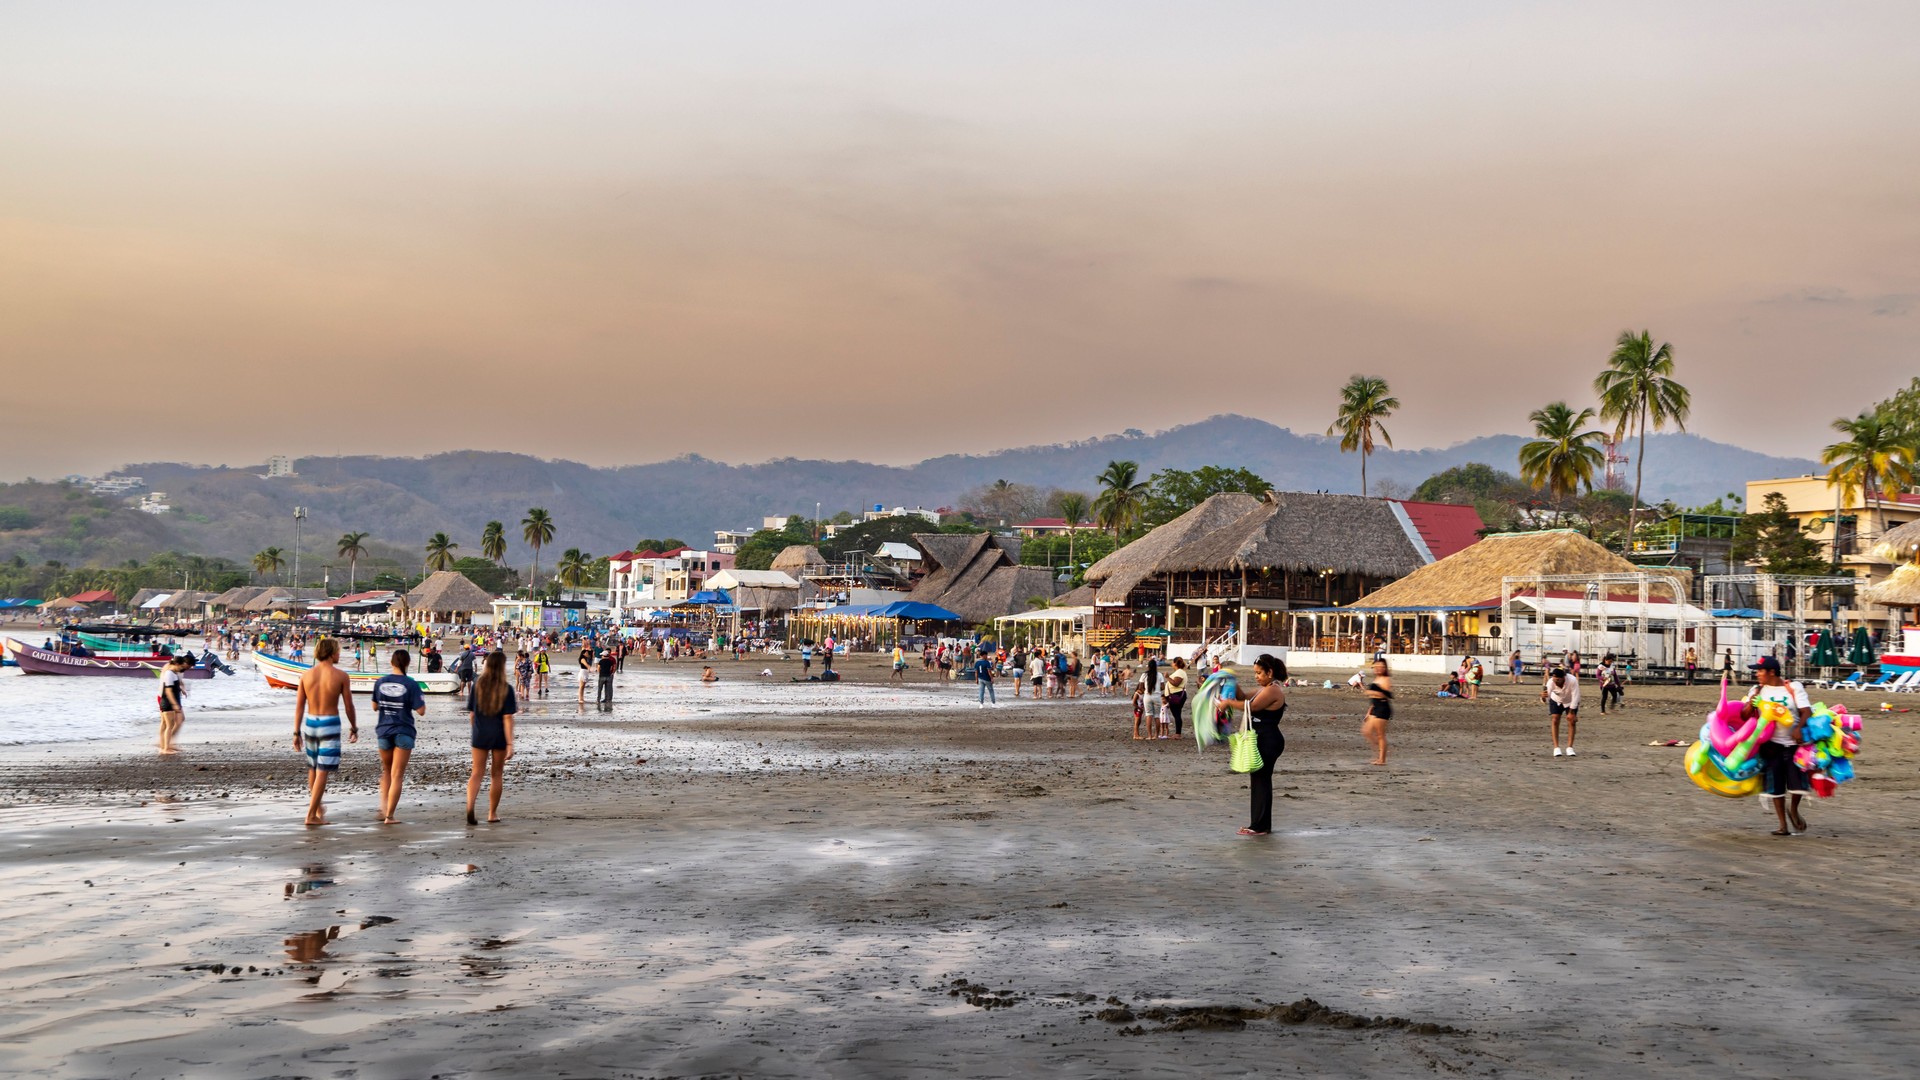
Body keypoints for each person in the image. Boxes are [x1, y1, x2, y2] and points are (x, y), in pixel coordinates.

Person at [293, 638, 357, 826]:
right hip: (330, 724)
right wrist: (354, 727)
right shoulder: (341, 676)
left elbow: (299, 707)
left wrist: (296, 733)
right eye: (338, 651)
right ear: (330, 653)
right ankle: (311, 815)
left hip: (311, 723)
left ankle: (318, 808)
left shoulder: (306, 675)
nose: (339, 654)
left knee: (313, 767)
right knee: (322, 771)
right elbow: (348, 706)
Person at [1748, 656, 1813, 836]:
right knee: (1775, 785)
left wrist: (1799, 728)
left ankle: (1793, 810)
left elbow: (1806, 710)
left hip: (1794, 744)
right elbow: (1746, 715)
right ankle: (1782, 825)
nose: (1757, 674)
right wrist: (1751, 700)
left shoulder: (1792, 688)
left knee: (1797, 784)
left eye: (1760, 671)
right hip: (1771, 745)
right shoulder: (1757, 690)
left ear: (1772, 672)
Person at [372, 649, 426, 824]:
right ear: (408, 663)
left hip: (384, 730)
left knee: (387, 771)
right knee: (397, 775)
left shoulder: (381, 682)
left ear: (391, 663)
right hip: (404, 731)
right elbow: (421, 710)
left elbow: (374, 706)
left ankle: (383, 807)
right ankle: (390, 816)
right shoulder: (411, 684)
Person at [1237, 654, 1289, 836]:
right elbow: (1243, 697)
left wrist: (1227, 703)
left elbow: (1251, 707)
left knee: (1261, 781)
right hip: (1262, 740)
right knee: (1259, 781)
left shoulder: (1273, 690)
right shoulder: (1263, 689)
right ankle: (1259, 825)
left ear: (1270, 672)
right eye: (1255, 673)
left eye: (1259, 673)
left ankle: (1260, 826)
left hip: (1269, 740)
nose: (1256, 676)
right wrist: (1228, 681)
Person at [466, 650, 517, 825]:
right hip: (499, 736)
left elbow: (472, 714)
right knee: (496, 774)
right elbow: (508, 718)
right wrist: (510, 743)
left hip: (480, 734)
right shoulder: (506, 689)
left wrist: (476, 730)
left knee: (476, 773)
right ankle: (492, 813)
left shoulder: (477, 685)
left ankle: (470, 806)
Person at [156, 653, 193, 754]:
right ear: (180, 663)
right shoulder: (169, 670)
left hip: (172, 697)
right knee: (168, 723)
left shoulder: (177, 670)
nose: (187, 668)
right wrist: (174, 703)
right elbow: (167, 686)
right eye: (187, 666)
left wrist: (181, 688)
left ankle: (167, 744)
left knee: (172, 722)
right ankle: (164, 745)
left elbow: (178, 681)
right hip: (165, 697)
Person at [1543, 666, 1580, 757]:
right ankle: (1556, 748)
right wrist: (1543, 698)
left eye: (1559, 679)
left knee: (1572, 722)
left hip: (1570, 701)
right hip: (1556, 700)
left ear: (1564, 677)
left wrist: (1571, 712)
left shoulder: (1572, 680)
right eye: (1555, 679)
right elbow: (1546, 697)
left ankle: (1570, 748)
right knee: (1555, 719)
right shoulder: (1550, 682)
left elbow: (1576, 696)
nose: (1556, 681)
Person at [1362, 658, 1392, 765]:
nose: (1379, 668)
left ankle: (1382, 759)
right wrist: (1368, 712)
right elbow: (1373, 700)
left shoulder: (1386, 679)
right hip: (1375, 708)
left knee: (1380, 735)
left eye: (1381, 666)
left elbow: (1386, 695)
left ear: (1385, 668)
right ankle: (1380, 751)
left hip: (1383, 708)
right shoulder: (1376, 679)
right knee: (1366, 731)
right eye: (1377, 666)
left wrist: (1370, 692)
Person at [1164, 657, 1189, 738]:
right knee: (1177, 714)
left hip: (1176, 695)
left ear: (1175, 663)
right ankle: (1177, 733)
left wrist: (1167, 677)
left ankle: (1178, 734)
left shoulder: (1180, 672)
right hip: (1176, 694)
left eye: (1172, 662)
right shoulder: (1180, 672)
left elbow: (1176, 683)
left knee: (1177, 714)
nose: (1172, 664)